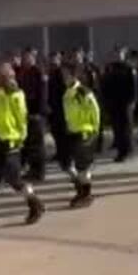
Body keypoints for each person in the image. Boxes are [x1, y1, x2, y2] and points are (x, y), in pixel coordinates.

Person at [0, 61, 46, 232]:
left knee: (14, 179)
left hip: (8, 141)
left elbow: (21, 118)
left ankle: (35, 203)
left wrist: (20, 138)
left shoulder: (15, 93)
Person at [59, 64, 101, 208]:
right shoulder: (67, 92)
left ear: (74, 76)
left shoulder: (83, 91)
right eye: (63, 75)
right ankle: (81, 189)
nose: (64, 78)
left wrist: (95, 129)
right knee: (69, 164)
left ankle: (86, 194)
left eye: (66, 75)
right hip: (72, 131)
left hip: (84, 131)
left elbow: (95, 110)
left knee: (83, 166)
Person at [15, 48, 51, 182]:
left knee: (38, 145)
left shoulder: (38, 72)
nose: (25, 60)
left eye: (27, 57)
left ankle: (39, 172)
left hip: (36, 114)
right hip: (27, 113)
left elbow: (43, 94)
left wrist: (38, 113)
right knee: (30, 144)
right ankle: (33, 169)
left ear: (33, 58)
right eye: (24, 58)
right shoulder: (24, 72)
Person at [99, 46, 136, 163]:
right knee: (117, 128)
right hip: (113, 103)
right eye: (116, 53)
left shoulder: (129, 68)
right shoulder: (109, 68)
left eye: (120, 53)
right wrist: (105, 101)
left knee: (126, 128)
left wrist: (132, 101)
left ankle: (126, 151)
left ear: (124, 55)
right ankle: (122, 149)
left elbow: (133, 86)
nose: (118, 55)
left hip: (125, 103)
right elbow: (104, 85)